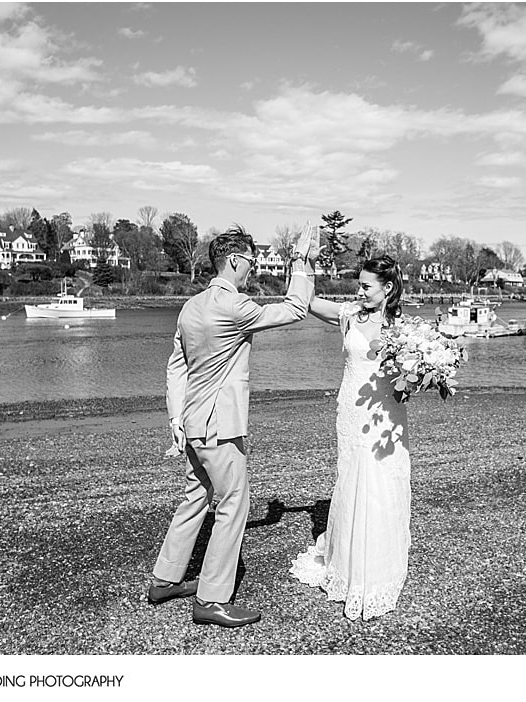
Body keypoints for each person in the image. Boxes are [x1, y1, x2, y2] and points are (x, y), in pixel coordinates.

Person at [148, 224, 317, 628]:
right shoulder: (234, 306)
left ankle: (165, 579)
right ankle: (211, 600)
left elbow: (176, 366)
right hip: (220, 427)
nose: (253, 269)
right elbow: (294, 308)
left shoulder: (191, 306)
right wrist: (301, 262)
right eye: (252, 262)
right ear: (236, 261)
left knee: (196, 498)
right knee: (232, 505)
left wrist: (175, 418)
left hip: (191, 422)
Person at [289, 255, 411, 621]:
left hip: (387, 413)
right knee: (352, 478)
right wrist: (301, 264)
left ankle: (377, 568)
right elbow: (305, 302)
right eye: (359, 284)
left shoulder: (404, 327)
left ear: (387, 288)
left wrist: (421, 377)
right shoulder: (349, 314)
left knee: (383, 482)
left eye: (366, 286)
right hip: (352, 410)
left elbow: (413, 376)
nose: (359, 291)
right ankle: (346, 563)